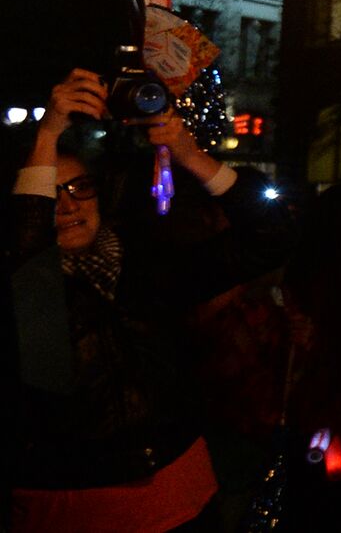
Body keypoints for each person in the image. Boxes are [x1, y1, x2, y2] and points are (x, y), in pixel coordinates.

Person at [4, 68, 295, 533]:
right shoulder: (24, 285)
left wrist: (188, 153)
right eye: (48, 193)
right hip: (76, 512)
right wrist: (48, 134)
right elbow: (27, 263)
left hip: (184, 502)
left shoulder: (147, 266)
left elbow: (271, 236)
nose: (68, 205)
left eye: (80, 187)